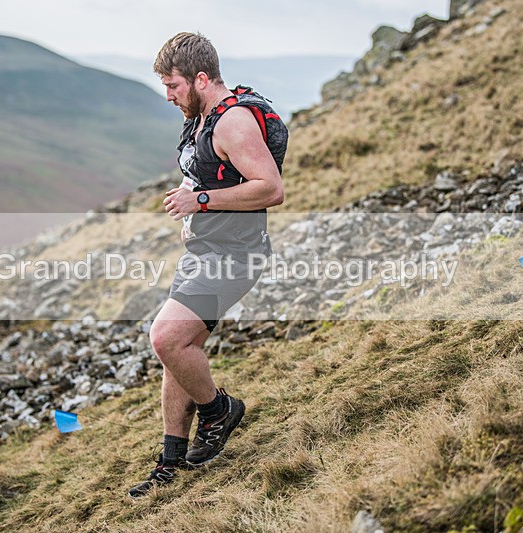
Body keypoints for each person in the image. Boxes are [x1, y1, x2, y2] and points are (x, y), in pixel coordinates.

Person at [128, 32, 288, 498]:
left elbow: (271, 188)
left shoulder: (233, 122)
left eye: (173, 85)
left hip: (235, 256)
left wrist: (199, 200)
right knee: (177, 351)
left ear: (201, 78)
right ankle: (170, 461)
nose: (168, 95)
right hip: (204, 253)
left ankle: (219, 411)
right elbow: (200, 170)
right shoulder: (200, 118)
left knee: (166, 337)